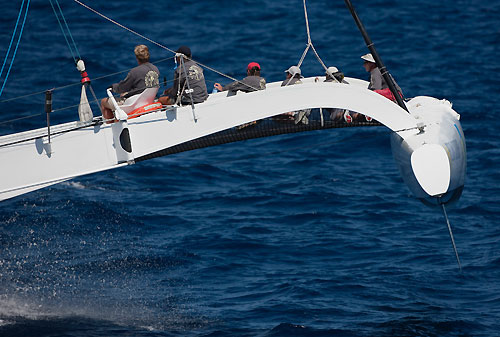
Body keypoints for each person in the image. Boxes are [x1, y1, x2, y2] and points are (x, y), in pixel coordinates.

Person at [101, 44, 159, 123]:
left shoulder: (135, 72)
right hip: (148, 99)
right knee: (124, 94)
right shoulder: (155, 69)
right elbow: (143, 87)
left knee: (104, 102)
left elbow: (122, 88)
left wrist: (113, 87)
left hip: (134, 103)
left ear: (137, 58)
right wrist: (127, 93)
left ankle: (110, 127)